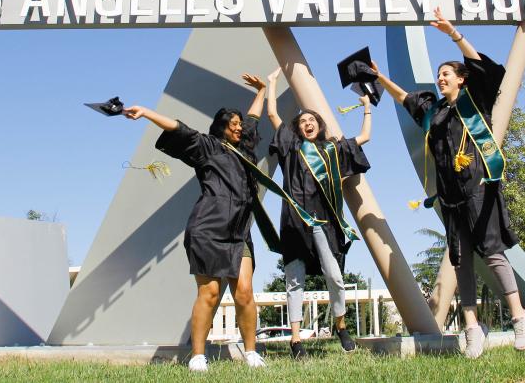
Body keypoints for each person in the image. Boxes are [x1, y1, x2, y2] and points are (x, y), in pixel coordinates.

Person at [373, 7, 525, 356]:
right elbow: (406, 99)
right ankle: (472, 327)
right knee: (460, 259)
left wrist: (453, 33)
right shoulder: (436, 111)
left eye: (446, 73)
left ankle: (521, 317)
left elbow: (483, 67)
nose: (440, 77)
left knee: (491, 253)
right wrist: (379, 77)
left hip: (478, 187)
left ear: (461, 78)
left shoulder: (475, 99)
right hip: (450, 196)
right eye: (439, 74)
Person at [123, 74, 269, 373]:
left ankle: (252, 353)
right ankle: (198, 356)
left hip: (240, 231)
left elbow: (254, 117)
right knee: (210, 293)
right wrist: (147, 112)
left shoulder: (246, 149)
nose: (240, 127)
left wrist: (264, 90)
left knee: (244, 292)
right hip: (209, 228)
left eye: (240, 125)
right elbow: (179, 128)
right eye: (234, 124)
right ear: (221, 127)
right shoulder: (207, 147)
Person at [264, 67, 372, 359]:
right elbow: (273, 115)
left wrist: (366, 108)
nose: (307, 123)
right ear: (297, 128)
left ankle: (340, 325)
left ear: (319, 125)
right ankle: (296, 341)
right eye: (302, 121)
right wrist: (271, 84)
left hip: (323, 222)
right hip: (294, 221)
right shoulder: (290, 147)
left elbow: (364, 137)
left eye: (312, 120)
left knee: (334, 276)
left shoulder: (331, 150)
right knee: (294, 279)